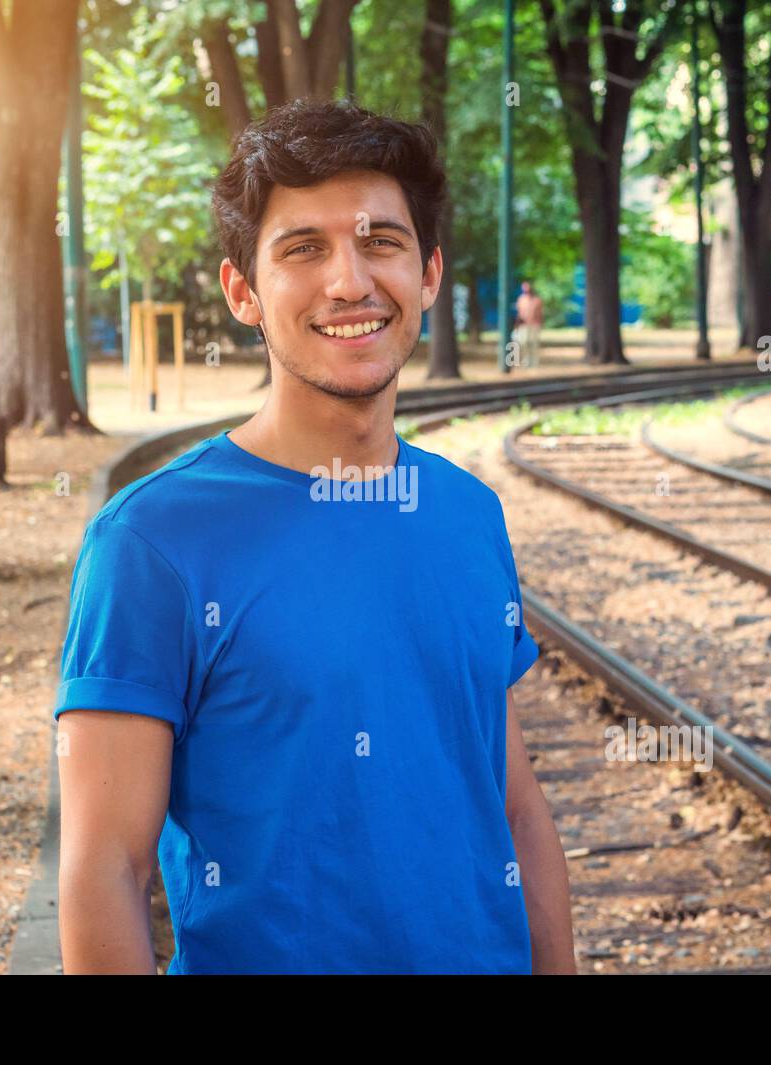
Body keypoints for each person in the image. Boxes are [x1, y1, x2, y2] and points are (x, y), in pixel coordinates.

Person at [54, 98, 575, 976]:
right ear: (243, 292)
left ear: (430, 271)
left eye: (382, 242)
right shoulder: (149, 544)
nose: (349, 281)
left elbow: (513, 804)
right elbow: (106, 867)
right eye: (303, 249)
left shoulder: (468, 513)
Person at [514, 281, 545, 368]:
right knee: (523, 342)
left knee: (533, 343)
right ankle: (527, 360)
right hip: (524, 325)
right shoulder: (521, 299)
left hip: (534, 325)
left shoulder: (537, 300)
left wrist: (541, 324)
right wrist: (517, 324)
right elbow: (519, 313)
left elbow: (540, 313)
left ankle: (534, 362)